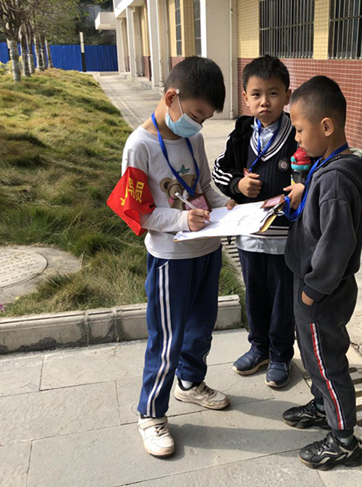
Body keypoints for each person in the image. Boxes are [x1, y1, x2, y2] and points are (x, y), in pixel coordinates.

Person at [112, 57, 236, 458]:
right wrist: (182, 219)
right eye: (196, 115)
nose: (198, 125)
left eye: (205, 119)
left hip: (207, 249)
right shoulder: (139, 146)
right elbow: (138, 212)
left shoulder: (193, 138)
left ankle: (190, 383)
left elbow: (204, 187)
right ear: (171, 98)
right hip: (171, 257)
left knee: (201, 327)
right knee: (167, 338)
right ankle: (151, 414)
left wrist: (225, 204)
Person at [282, 76, 362, 470]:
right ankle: (324, 407)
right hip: (314, 286)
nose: (296, 138)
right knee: (314, 355)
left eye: (299, 129)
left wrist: (312, 289)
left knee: (327, 362)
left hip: (321, 291)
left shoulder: (337, 179)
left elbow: (336, 245)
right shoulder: (328, 166)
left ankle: (344, 441)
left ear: (326, 126)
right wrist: (304, 191)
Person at [212, 55, 303, 388]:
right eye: (257, 94)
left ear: (287, 95)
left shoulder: (297, 133)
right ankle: (259, 347)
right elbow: (219, 170)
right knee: (256, 295)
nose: (265, 102)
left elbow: (317, 168)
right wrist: (237, 185)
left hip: (285, 239)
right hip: (249, 236)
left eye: (274, 93)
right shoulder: (241, 133)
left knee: (282, 301)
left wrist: (303, 188)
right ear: (246, 97)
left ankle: (280, 355)